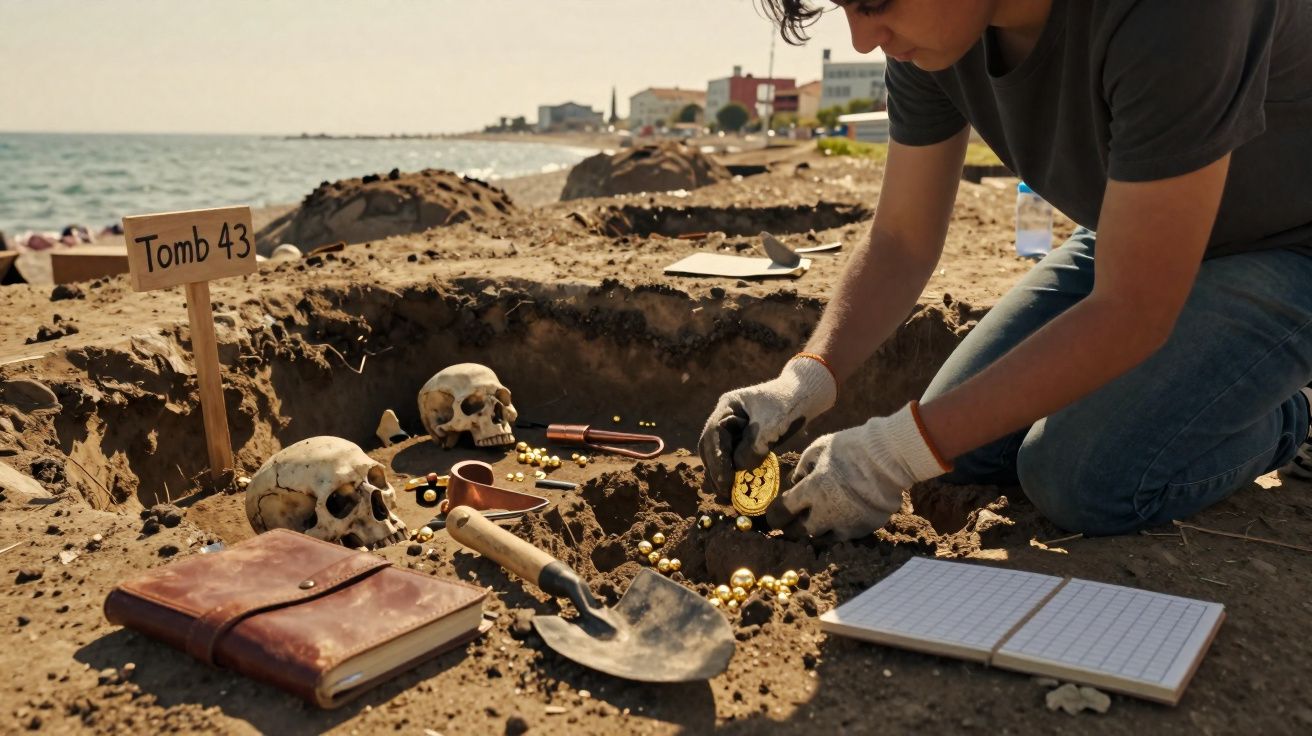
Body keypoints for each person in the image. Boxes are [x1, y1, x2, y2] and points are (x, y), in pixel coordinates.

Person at [700, 0, 1312, 539]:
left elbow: (1135, 309)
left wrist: (893, 452)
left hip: (1291, 247)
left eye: (875, 2)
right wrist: (805, 381)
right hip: (1135, 233)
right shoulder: (933, 40)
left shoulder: (1171, 13)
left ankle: (1293, 411)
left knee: (1076, 476)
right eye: (847, 9)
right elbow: (902, 240)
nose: (863, 39)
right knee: (964, 450)